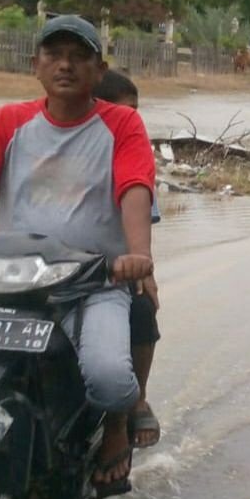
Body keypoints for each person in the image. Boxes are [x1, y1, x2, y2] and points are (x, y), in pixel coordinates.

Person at [0, 15, 154, 489]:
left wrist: (138, 253)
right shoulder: (8, 121)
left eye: (79, 56)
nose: (65, 65)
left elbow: (135, 187)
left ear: (99, 68)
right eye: (54, 54)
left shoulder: (122, 123)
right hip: (10, 278)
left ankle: (115, 430)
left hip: (91, 281)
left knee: (109, 376)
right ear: (36, 65)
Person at [92, 69, 162, 449]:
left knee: (141, 309)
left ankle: (134, 401)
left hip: (110, 270)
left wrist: (144, 267)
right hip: (48, 269)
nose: (134, 120)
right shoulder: (51, 141)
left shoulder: (135, 154)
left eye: (137, 111)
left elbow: (142, 223)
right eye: (126, 111)